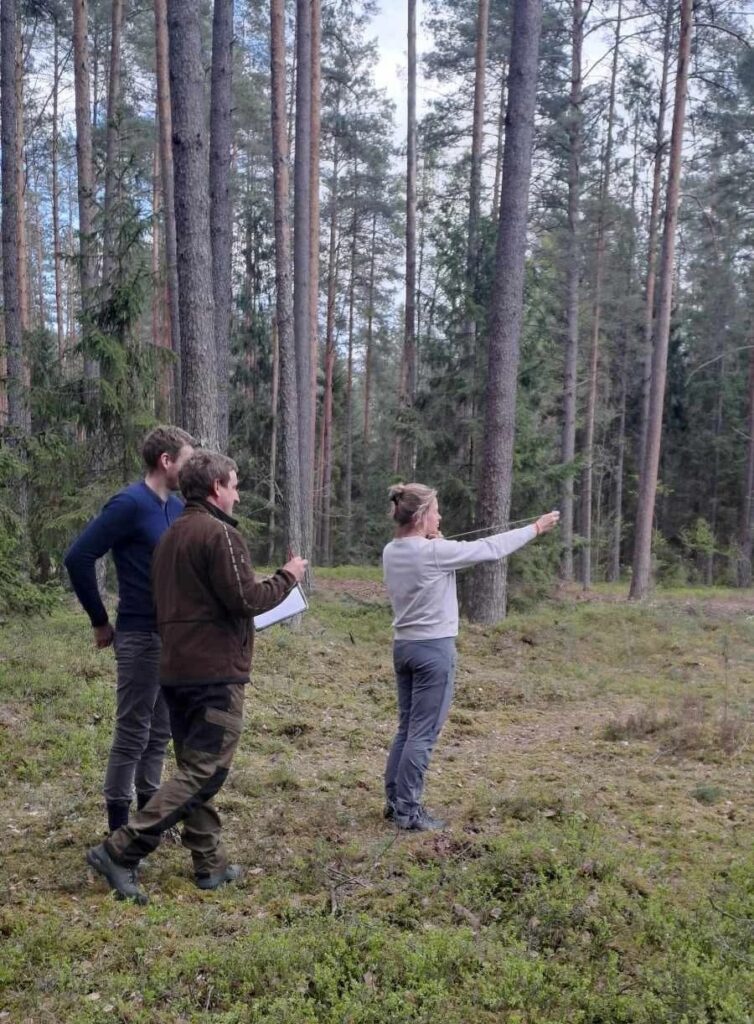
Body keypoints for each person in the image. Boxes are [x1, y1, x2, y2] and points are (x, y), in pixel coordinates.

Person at [85, 450, 308, 903]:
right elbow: (247, 599)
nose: (238, 496)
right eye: (234, 485)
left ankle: (210, 863)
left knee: (194, 769)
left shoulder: (170, 536)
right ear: (215, 488)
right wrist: (288, 576)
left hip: (176, 671)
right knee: (206, 772)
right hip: (213, 674)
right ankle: (119, 849)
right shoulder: (220, 534)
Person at [382, 483, 560, 831]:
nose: (440, 516)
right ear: (421, 516)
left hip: (404, 647)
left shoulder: (392, 550)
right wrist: (535, 528)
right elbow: (490, 549)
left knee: (407, 730)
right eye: (435, 511)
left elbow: (429, 558)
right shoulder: (435, 552)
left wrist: (435, 541)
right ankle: (408, 812)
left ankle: (395, 804)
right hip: (433, 650)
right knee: (422, 734)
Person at [65, 425, 195, 834]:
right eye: (186, 461)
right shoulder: (129, 504)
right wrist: (99, 620)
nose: (190, 470)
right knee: (132, 732)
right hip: (140, 636)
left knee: (159, 733)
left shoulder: (177, 507)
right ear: (166, 461)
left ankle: (148, 820)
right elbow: (78, 556)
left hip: (173, 638)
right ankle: (119, 831)